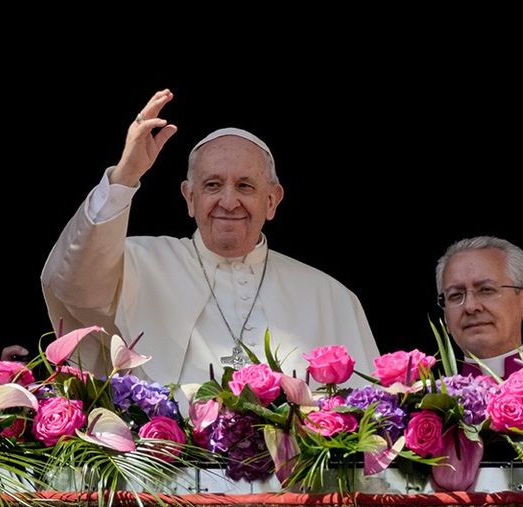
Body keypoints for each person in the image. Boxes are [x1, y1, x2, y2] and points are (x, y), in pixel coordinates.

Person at [41, 89, 380, 385]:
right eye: (212, 185)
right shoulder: (137, 264)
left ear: (272, 200)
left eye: (245, 185)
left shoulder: (330, 298)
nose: (228, 201)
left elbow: (369, 418)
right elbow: (71, 284)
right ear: (189, 198)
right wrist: (125, 177)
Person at [434, 236, 523, 378]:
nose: (470, 307)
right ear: (445, 316)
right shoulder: (414, 399)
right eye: (455, 295)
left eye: (486, 290)